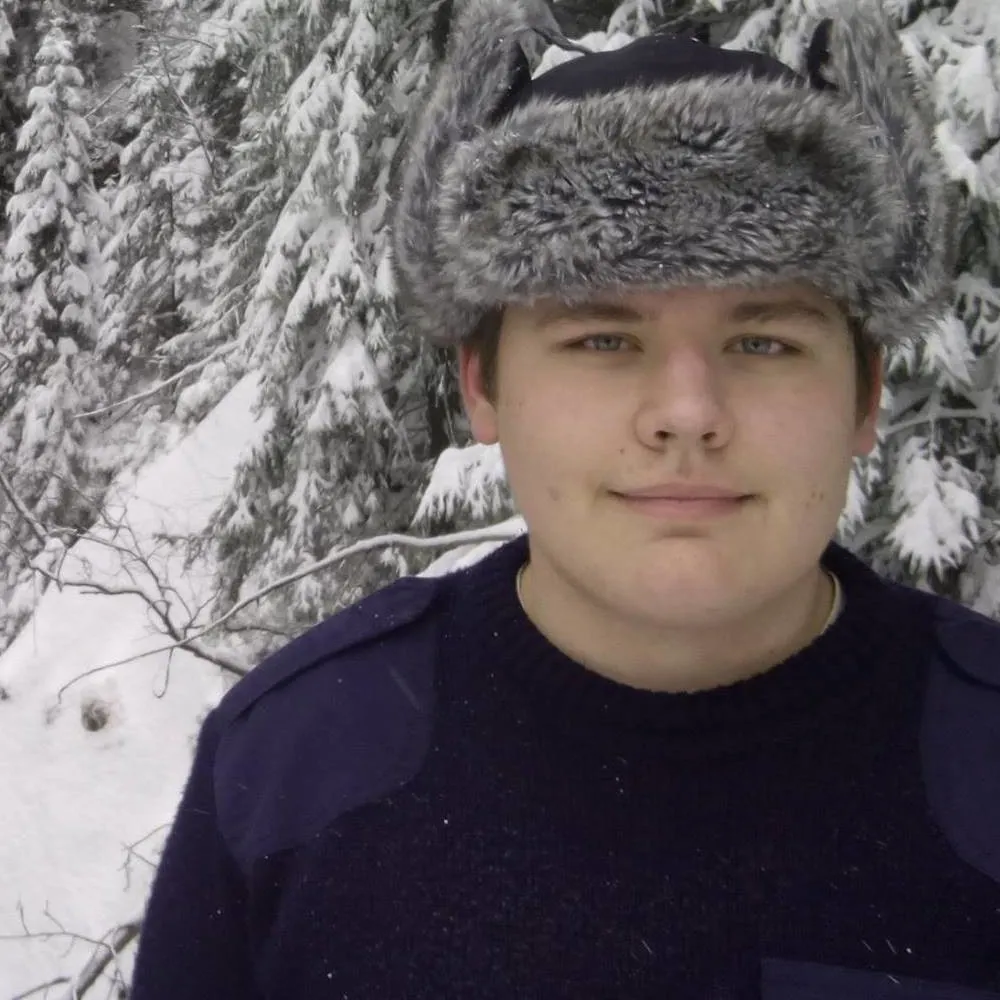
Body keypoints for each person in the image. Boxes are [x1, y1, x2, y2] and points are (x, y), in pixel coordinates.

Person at [130, 1, 1000, 997]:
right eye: (602, 339)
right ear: (482, 387)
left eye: (763, 341)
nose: (686, 412)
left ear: (864, 394)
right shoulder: (290, 766)